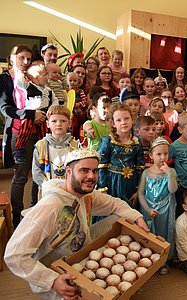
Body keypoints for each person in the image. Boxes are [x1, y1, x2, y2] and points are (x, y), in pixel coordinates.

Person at [4, 147, 149, 299]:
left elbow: (115, 204)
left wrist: (137, 218)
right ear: (68, 172)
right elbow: (14, 255)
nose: (91, 176)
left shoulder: (84, 195)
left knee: (117, 219)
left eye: (94, 171)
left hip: (77, 256)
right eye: (84, 170)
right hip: (54, 269)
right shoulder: (50, 206)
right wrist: (52, 280)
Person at [0, 45, 42, 228]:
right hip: (19, 132)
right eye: (21, 58)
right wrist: (32, 115)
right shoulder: (4, 79)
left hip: (38, 131)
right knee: (21, 175)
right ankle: (17, 219)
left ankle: (34, 211)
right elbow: (5, 109)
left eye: (29, 59)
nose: (25, 62)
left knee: (39, 173)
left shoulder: (31, 76)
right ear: (11, 58)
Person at [138, 137, 177, 274]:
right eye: (158, 154)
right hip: (150, 209)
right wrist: (147, 209)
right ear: (151, 155)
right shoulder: (146, 173)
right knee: (150, 235)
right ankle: (149, 261)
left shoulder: (171, 172)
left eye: (165, 154)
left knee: (164, 234)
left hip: (166, 209)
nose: (162, 157)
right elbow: (141, 193)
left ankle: (163, 262)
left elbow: (173, 190)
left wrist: (168, 174)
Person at [97, 103, 145, 209]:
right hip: (113, 183)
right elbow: (100, 167)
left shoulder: (136, 142)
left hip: (131, 184)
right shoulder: (108, 142)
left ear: (132, 120)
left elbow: (140, 168)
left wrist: (138, 191)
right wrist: (103, 188)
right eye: (119, 120)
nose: (123, 122)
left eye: (126, 118)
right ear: (113, 123)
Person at [32, 105, 80, 202]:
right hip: (48, 193)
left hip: (70, 193)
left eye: (63, 121)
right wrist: (49, 187)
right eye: (54, 121)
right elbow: (36, 172)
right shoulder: (40, 146)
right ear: (47, 124)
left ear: (70, 123)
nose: (58, 124)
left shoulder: (76, 146)